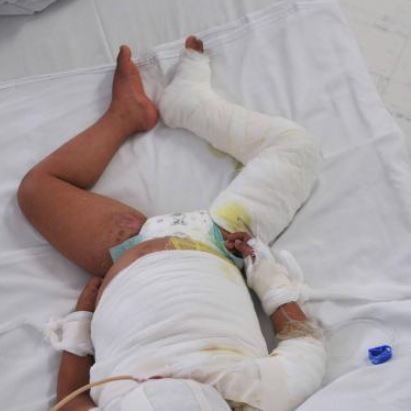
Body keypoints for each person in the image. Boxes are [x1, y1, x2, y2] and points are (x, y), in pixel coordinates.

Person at [18, 36, 326, 411]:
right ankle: (191, 104)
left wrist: (81, 327)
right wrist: (264, 274)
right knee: (296, 149)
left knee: (37, 190)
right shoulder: (255, 395)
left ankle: (125, 116)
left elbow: (71, 403)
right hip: (222, 244)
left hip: (126, 252)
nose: (160, 377)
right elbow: (306, 346)